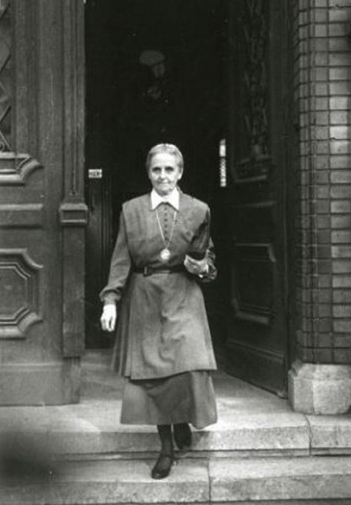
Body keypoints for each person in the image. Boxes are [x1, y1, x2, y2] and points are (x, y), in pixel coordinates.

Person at [100, 143, 217, 480]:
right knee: (153, 376)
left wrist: (203, 267)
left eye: (169, 170)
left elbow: (209, 259)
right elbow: (121, 259)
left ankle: (181, 420)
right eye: (156, 170)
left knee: (187, 365)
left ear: (180, 173)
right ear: (148, 173)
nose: (163, 176)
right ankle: (166, 448)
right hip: (146, 297)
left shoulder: (199, 209)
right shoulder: (131, 210)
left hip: (184, 295)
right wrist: (110, 300)